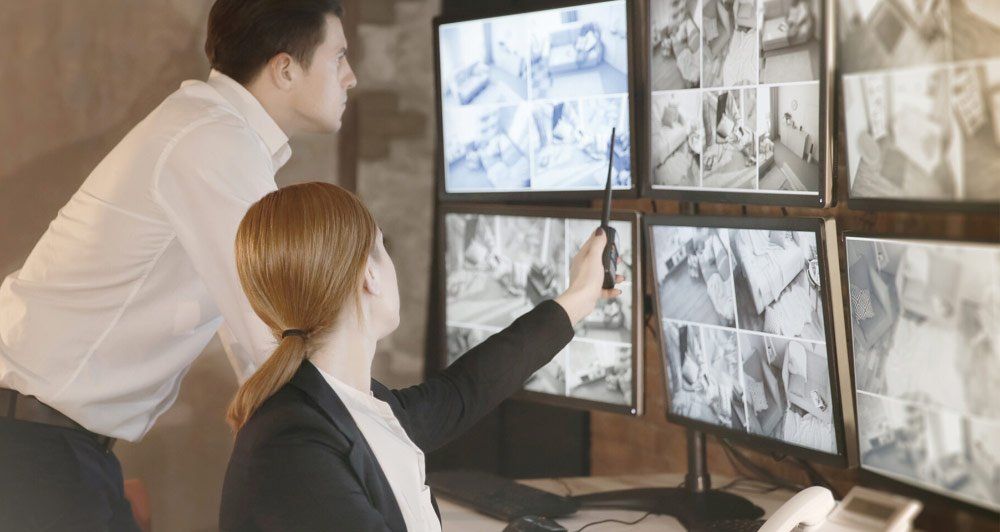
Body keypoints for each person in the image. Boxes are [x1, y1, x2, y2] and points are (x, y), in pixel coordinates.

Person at [0, 1, 355, 529]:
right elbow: (271, 332)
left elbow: (260, 341)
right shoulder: (215, 141)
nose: (351, 78)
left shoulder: (213, 130)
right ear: (285, 68)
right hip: (37, 443)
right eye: (339, 57)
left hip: (48, 440)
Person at [219, 182, 622, 531]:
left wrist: (578, 298)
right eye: (382, 246)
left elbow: (464, 390)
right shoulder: (293, 447)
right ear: (369, 275)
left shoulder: (351, 407)